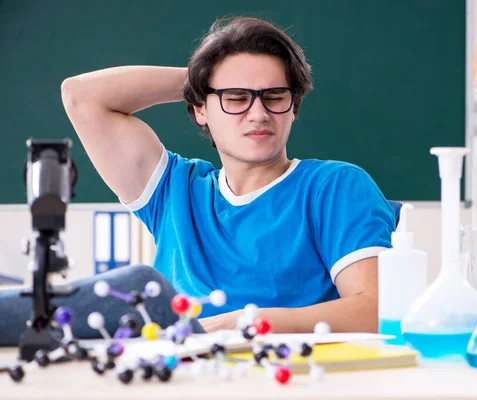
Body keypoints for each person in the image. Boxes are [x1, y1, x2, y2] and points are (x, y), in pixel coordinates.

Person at [3, 16, 396, 341]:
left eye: (274, 96)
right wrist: (206, 80)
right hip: (172, 372)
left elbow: (375, 308)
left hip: (274, 374)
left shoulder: (333, 187)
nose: (258, 114)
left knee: (135, 282)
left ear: (294, 106)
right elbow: (81, 96)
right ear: (200, 110)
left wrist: (241, 323)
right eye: (237, 98)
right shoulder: (177, 189)